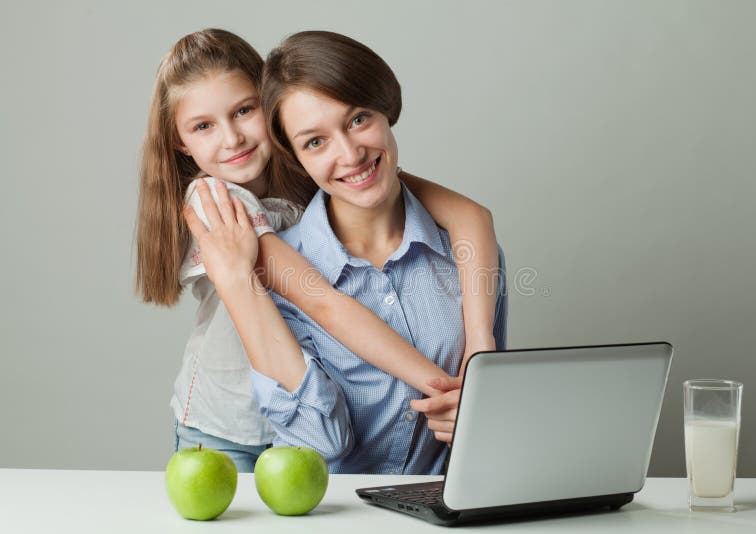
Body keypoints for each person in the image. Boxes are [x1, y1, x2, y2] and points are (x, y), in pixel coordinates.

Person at [136, 29, 501, 472]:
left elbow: (470, 215)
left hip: (292, 427)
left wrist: (481, 356)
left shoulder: (314, 173)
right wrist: (447, 390)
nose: (232, 139)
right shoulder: (215, 202)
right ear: (180, 141)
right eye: (203, 126)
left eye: (244, 111)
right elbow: (324, 303)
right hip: (227, 426)